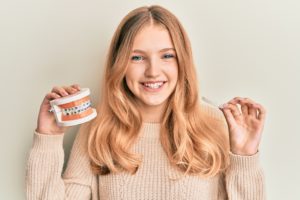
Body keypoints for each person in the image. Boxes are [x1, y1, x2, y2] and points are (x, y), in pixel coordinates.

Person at [26, 5, 267, 200]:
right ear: (120, 64)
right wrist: (48, 139)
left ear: (182, 62)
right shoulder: (98, 128)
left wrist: (244, 157)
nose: (153, 71)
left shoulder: (214, 124)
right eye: (137, 57)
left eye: (167, 56)